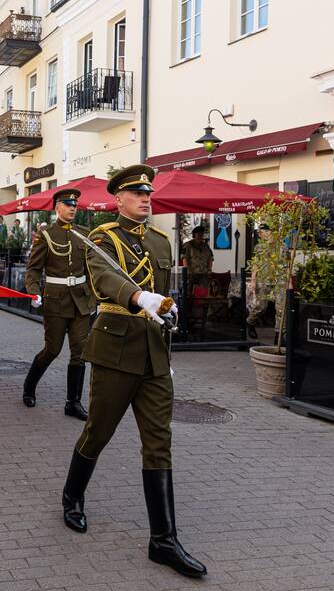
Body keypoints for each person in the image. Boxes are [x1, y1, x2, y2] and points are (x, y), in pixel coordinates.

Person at [59, 165, 205, 578]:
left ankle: (163, 540)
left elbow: (164, 293)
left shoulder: (160, 241)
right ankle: (72, 496)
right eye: (137, 193)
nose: (146, 198)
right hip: (115, 350)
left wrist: (168, 309)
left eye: (148, 193)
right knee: (98, 431)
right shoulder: (101, 239)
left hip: (155, 354)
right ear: (118, 199)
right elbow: (105, 281)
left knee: (159, 443)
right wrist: (140, 297)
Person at [22, 188, 95, 419]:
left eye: (75, 204)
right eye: (67, 204)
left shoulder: (84, 234)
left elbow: (92, 270)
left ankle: (72, 403)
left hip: (81, 302)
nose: (72, 208)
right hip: (56, 300)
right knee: (52, 349)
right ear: (57, 208)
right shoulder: (46, 235)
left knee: (80, 352)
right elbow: (33, 269)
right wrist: (33, 291)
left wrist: (96, 297)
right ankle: (29, 386)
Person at [180, 224, 213, 291]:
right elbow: (184, 258)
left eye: (202, 233)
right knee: (191, 292)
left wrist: (209, 270)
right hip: (192, 274)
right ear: (194, 234)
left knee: (203, 292)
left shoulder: (206, 246)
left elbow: (210, 258)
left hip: (204, 274)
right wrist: (187, 271)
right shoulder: (188, 245)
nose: (201, 235)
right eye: (198, 233)